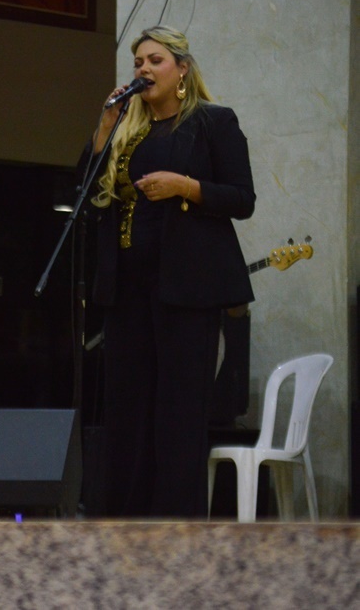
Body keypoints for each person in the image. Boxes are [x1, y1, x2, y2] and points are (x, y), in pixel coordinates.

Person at [83, 26, 254, 518]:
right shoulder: (127, 129)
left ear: (182, 68)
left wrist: (186, 186)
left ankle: (176, 532)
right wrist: (105, 127)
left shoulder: (213, 122)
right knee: (127, 415)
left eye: (154, 60)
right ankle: (127, 528)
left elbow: (242, 199)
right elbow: (85, 193)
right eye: (138, 62)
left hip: (186, 290)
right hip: (127, 291)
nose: (143, 69)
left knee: (178, 418)